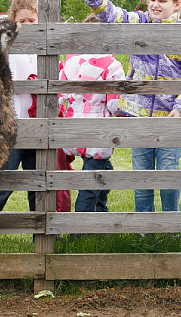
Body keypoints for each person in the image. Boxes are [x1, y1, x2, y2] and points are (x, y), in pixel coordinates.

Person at [79, 0, 181, 213]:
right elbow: (114, 16)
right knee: (141, 175)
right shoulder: (140, 22)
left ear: (177, 5)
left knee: (168, 174)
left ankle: (170, 223)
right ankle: (143, 224)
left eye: (162, 1)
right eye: (152, 0)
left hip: (170, 118)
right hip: (139, 116)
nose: (155, 5)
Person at [0, 0, 73, 214]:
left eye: (32, 20)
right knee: (3, 184)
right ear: (13, 20)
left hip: (39, 126)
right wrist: (9, 84)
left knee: (37, 182)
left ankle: (38, 227)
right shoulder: (6, 46)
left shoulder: (47, 47)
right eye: (22, 21)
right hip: (12, 126)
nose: (28, 25)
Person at [59, 14, 126, 213]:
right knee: (92, 181)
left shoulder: (70, 63)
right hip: (98, 128)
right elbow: (114, 104)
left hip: (72, 125)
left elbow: (57, 97)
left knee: (105, 171)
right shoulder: (112, 66)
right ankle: (81, 223)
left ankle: (100, 211)